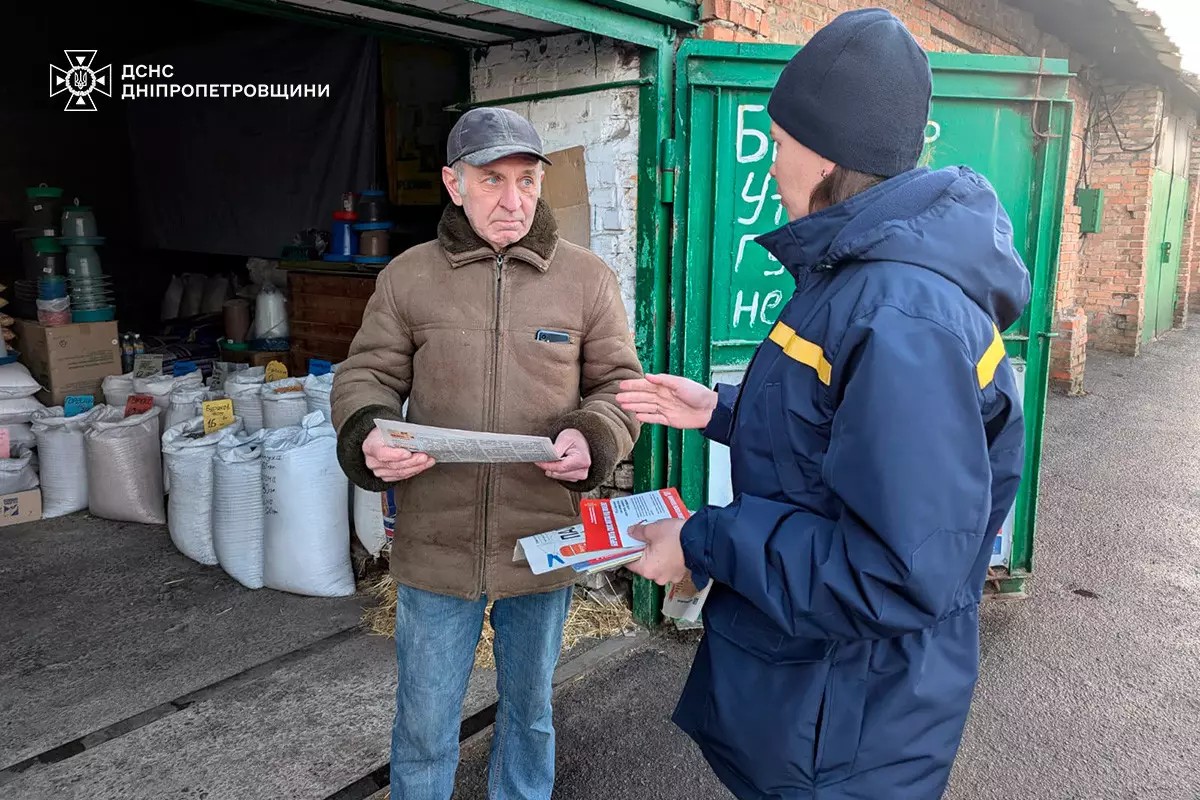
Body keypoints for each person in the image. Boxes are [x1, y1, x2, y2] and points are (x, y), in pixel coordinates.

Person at [616, 9, 1029, 800]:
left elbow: (898, 573)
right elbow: (849, 439)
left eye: (778, 144)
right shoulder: (866, 279)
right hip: (821, 703)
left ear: (828, 153)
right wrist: (720, 412)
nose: (772, 167)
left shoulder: (900, 311)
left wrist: (703, 541)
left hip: (847, 729)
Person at [331, 106, 643, 800]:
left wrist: (591, 436)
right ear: (453, 182)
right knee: (425, 722)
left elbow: (620, 386)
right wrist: (370, 430)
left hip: (543, 539)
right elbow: (367, 375)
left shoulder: (586, 279)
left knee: (529, 715)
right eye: (492, 179)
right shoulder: (409, 277)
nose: (513, 200)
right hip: (436, 542)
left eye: (527, 180)